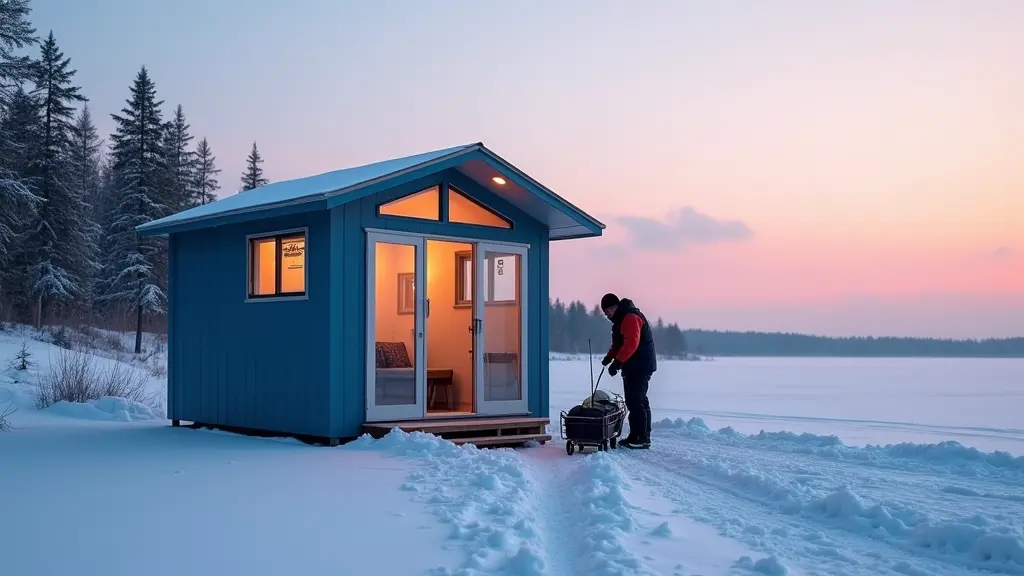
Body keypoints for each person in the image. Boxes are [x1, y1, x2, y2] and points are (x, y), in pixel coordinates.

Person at [600, 293, 656, 449]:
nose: (607, 315)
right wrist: (609, 357)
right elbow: (619, 343)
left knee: (636, 401)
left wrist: (617, 362)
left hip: (640, 365)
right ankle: (636, 434)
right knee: (636, 400)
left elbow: (632, 343)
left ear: (614, 307)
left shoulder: (630, 318)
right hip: (633, 365)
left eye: (607, 312)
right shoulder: (620, 320)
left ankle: (642, 437)